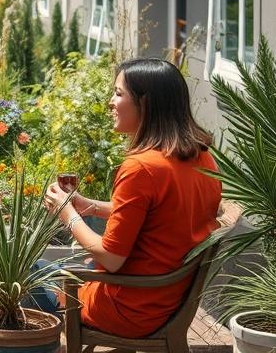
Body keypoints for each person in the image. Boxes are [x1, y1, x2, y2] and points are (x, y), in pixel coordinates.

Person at [43, 58, 221, 337]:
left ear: (145, 103)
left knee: (26, 276)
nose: (110, 102)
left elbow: (111, 258)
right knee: (49, 268)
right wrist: (89, 206)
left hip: (127, 308)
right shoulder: (202, 157)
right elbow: (158, 215)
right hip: (165, 301)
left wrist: (68, 214)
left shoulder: (141, 168)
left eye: (118, 93)